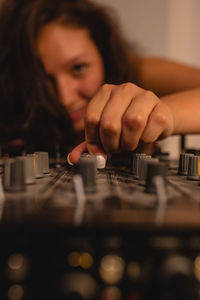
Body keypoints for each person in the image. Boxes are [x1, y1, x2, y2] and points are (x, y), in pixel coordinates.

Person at [1, 0, 200, 161]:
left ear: (104, 52)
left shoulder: (138, 71)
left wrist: (166, 114)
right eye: (43, 79)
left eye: (78, 68)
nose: (65, 97)